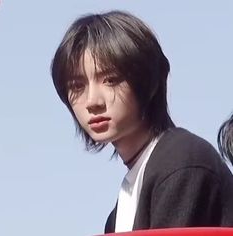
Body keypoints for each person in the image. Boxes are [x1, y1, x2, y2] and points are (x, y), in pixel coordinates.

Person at [51, 10, 233, 234]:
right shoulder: (121, 208)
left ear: (149, 81)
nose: (92, 101)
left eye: (110, 80)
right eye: (77, 86)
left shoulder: (182, 163)